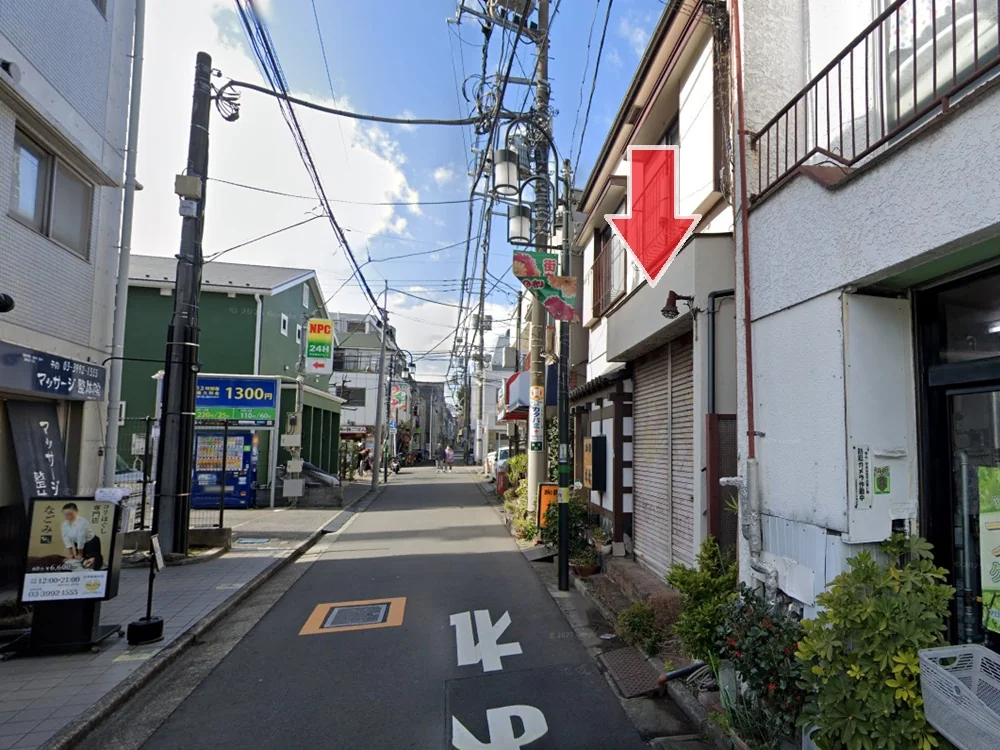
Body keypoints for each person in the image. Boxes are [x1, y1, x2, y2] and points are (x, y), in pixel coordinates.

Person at [61, 502, 103, 571]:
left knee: (91, 563)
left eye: (70, 514)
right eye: (65, 515)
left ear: (76, 512)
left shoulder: (82, 522)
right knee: (81, 563)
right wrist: (71, 553)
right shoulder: (64, 525)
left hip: (91, 542)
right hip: (78, 543)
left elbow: (81, 538)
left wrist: (80, 554)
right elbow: (66, 538)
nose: (67, 517)